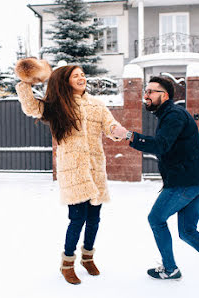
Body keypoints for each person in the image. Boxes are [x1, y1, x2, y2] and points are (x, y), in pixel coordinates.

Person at [112, 76, 199, 297]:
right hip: (197, 181)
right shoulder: (169, 115)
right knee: (187, 231)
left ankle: (170, 268)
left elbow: (161, 146)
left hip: (185, 182)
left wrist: (128, 135)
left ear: (164, 95)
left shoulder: (173, 115)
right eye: (145, 91)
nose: (145, 95)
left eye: (150, 91)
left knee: (156, 219)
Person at [15, 60, 122, 285]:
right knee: (77, 219)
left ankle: (88, 257)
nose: (81, 78)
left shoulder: (97, 105)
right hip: (73, 171)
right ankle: (67, 263)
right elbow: (31, 108)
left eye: (83, 74)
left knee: (94, 218)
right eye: (76, 76)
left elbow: (109, 125)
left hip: (95, 168)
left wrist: (116, 130)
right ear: (66, 81)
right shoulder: (56, 105)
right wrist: (25, 84)